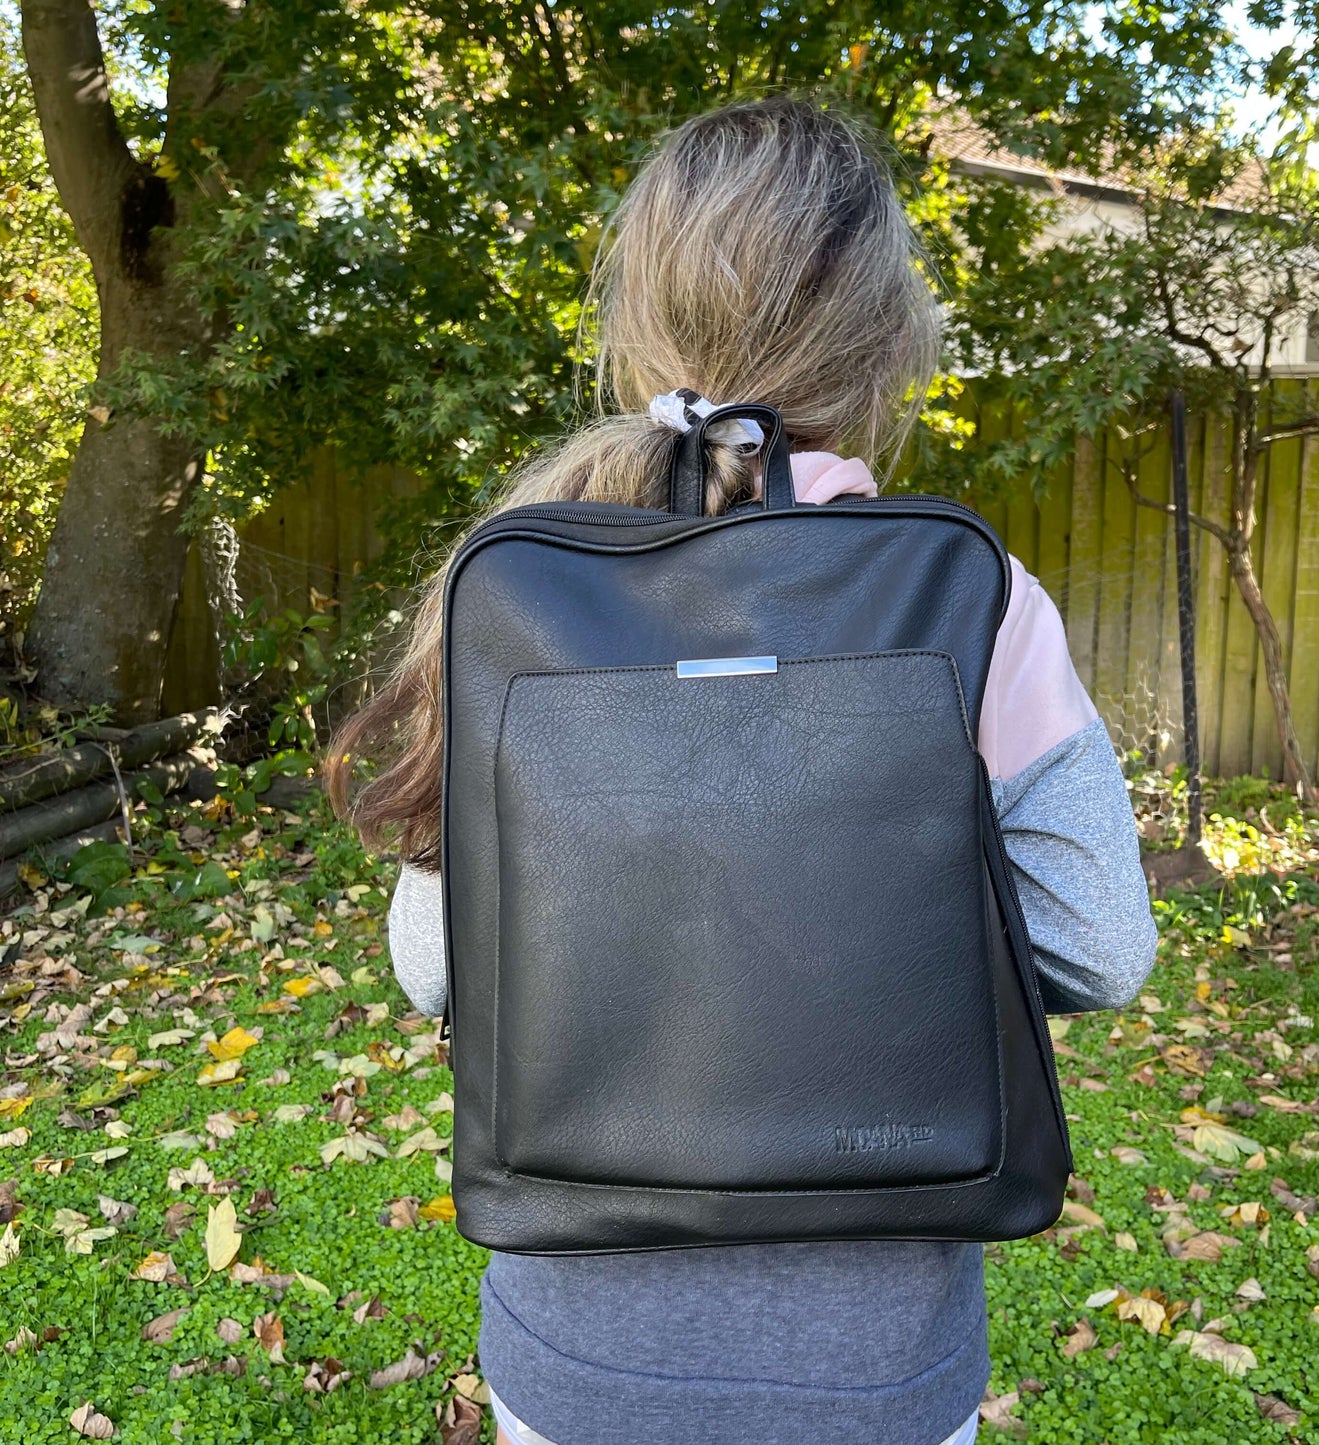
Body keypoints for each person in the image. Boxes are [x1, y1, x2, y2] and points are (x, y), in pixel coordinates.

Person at [325, 92, 1158, 1445]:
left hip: (577, 1341)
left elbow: (433, 964)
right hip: (871, 1352)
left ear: (635, 315)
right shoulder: (966, 597)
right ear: (891, 335)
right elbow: (1101, 948)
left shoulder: (530, 583)